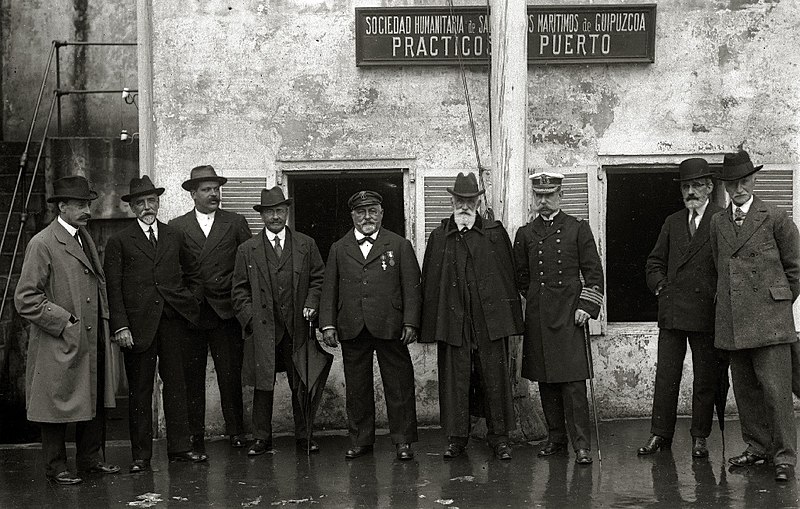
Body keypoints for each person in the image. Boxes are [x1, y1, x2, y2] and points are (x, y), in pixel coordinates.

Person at [14, 175, 120, 484]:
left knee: (92, 397)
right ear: (62, 207)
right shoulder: (43, 243)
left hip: (89, 335)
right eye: (81, 205)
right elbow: (26, 298)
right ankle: (56, 466)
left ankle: (90, 460)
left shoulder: (83, 236)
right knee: (55, 402)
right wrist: (65, 323)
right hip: (60, 338)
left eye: (88, 204)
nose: (88, 210)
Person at [104, 176, 208, 473]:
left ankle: (180, 448)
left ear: (158, 203)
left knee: (177, 386)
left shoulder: (173, 235)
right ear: (132, 208)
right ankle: (141, 457)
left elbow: (194, 273)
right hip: (138, 329)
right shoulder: (119, 241)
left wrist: (189, 304)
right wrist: (121, 327)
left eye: (151, 201)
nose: (147, 207)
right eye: (140, 203)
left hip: (173, 323)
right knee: (140, 391)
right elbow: (113, 288)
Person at [419, 172, 524, 460]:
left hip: (488, 324)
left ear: (478, 202)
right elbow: (430, 282)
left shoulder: (493, 234)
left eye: (470, 201)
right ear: (452, 201)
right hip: (455, 324)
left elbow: (508, 278)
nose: (464, 206)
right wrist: (430, 326)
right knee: (456, 381)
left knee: (495, 379)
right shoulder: (440, 237)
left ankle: (500, 438)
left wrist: (508, 321)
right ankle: (457, 439)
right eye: (459, 201)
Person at [710, 150, 800, 482]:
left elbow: (795, 271)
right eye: (733, 184)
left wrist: (775, 304)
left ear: (754, 180)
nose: (739, 189)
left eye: (745, 181)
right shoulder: (718, 222)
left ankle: (785, 457)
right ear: (725, 187)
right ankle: (758, 447)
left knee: (776, 392)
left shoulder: (775, 217)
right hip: (734, 320)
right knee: (745, 390)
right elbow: (720, 266)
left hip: (771, 321)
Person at [319, 190, 421, 461]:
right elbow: (329, 288)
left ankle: (403, 441)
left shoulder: (399, 245)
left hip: (390, 324)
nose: (367, 217)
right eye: (361, 212)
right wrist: (328, 324)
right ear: (352, 215)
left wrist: (410, 321)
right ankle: (361, 440)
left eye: (373, 211)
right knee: (357, 388)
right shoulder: (339, 248)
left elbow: (412, 287)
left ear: (381, 214)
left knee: (398, 385)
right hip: (352, 326)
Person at [513, 172, 604, 465]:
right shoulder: (525, 234)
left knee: (573, 385)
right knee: (546, 381)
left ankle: (581, 445)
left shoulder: (578, 229)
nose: (543, 201)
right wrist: (539, 299)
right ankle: (556, 438)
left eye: (549, 195)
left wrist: (585, 307)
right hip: (539, 317)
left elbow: (594, 274)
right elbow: (520, 277)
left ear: (560, 196)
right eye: (538, 196)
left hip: (570, 316)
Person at [638, 158, 726, 459]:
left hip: (706, 313)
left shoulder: (720, 219)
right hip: (673, 311)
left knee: (705, 378)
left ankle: (700, 437)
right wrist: (660, 285)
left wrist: (718, 296)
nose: (691, 192)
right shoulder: (673, 222)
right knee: (666, 376)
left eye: (697, 185)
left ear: (710, 187)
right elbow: (653, 262)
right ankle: (660, 435)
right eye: (686, 186)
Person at [231, 187, 326, 456]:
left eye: (280, 211)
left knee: (302, 381)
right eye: (270, 212)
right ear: (262, 216)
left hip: (296, 327)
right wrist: (250, 318)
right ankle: (261, 438)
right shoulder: (247, 250)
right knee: (263, 384)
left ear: (287, 212)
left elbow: (319, 278)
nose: (275, 216)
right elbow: (238, 290)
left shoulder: (306, 244)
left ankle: (304, 436)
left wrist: (311, 303)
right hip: (263, 329)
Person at [170, 165, 251, 452]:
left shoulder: (235, 222)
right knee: (192, 379)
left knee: (230, 375)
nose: (213, 194)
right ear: (193, 194)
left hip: (226, 312)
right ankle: (195, 435)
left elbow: (248, 267)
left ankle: (236, 431)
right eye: (206, 189)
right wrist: (187, 301)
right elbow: (173, 271)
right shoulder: (177, 227)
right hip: (193, 315)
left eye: (216, 189)